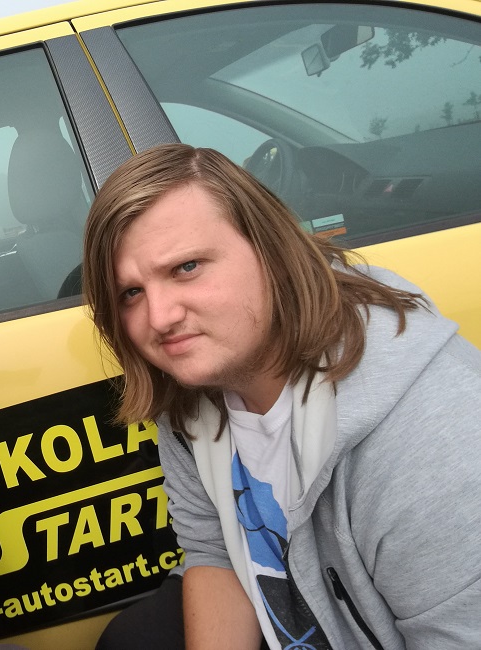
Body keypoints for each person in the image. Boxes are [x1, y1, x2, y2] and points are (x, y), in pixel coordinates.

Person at [82, 144, 481, 649]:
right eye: (130, 293)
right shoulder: (191, 389)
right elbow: (215, 552)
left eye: (187, 267)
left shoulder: (431, 437)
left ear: (271, 250)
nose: (159, 318)